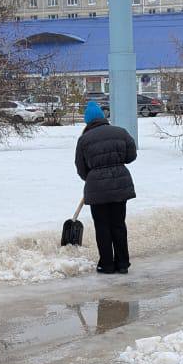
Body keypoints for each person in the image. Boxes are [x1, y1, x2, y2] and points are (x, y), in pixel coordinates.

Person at [75, 100, 137, 275]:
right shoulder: (120, 132)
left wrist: (91, 177)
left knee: (102, 226)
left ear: (87, 121)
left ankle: (107, 265)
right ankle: (123, 263)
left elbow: (80, 166)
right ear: (103, 117)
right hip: (120, 184)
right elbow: (131, 156)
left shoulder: (84, 139)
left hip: (96, 188)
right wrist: (116, 163)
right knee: (118, 224)